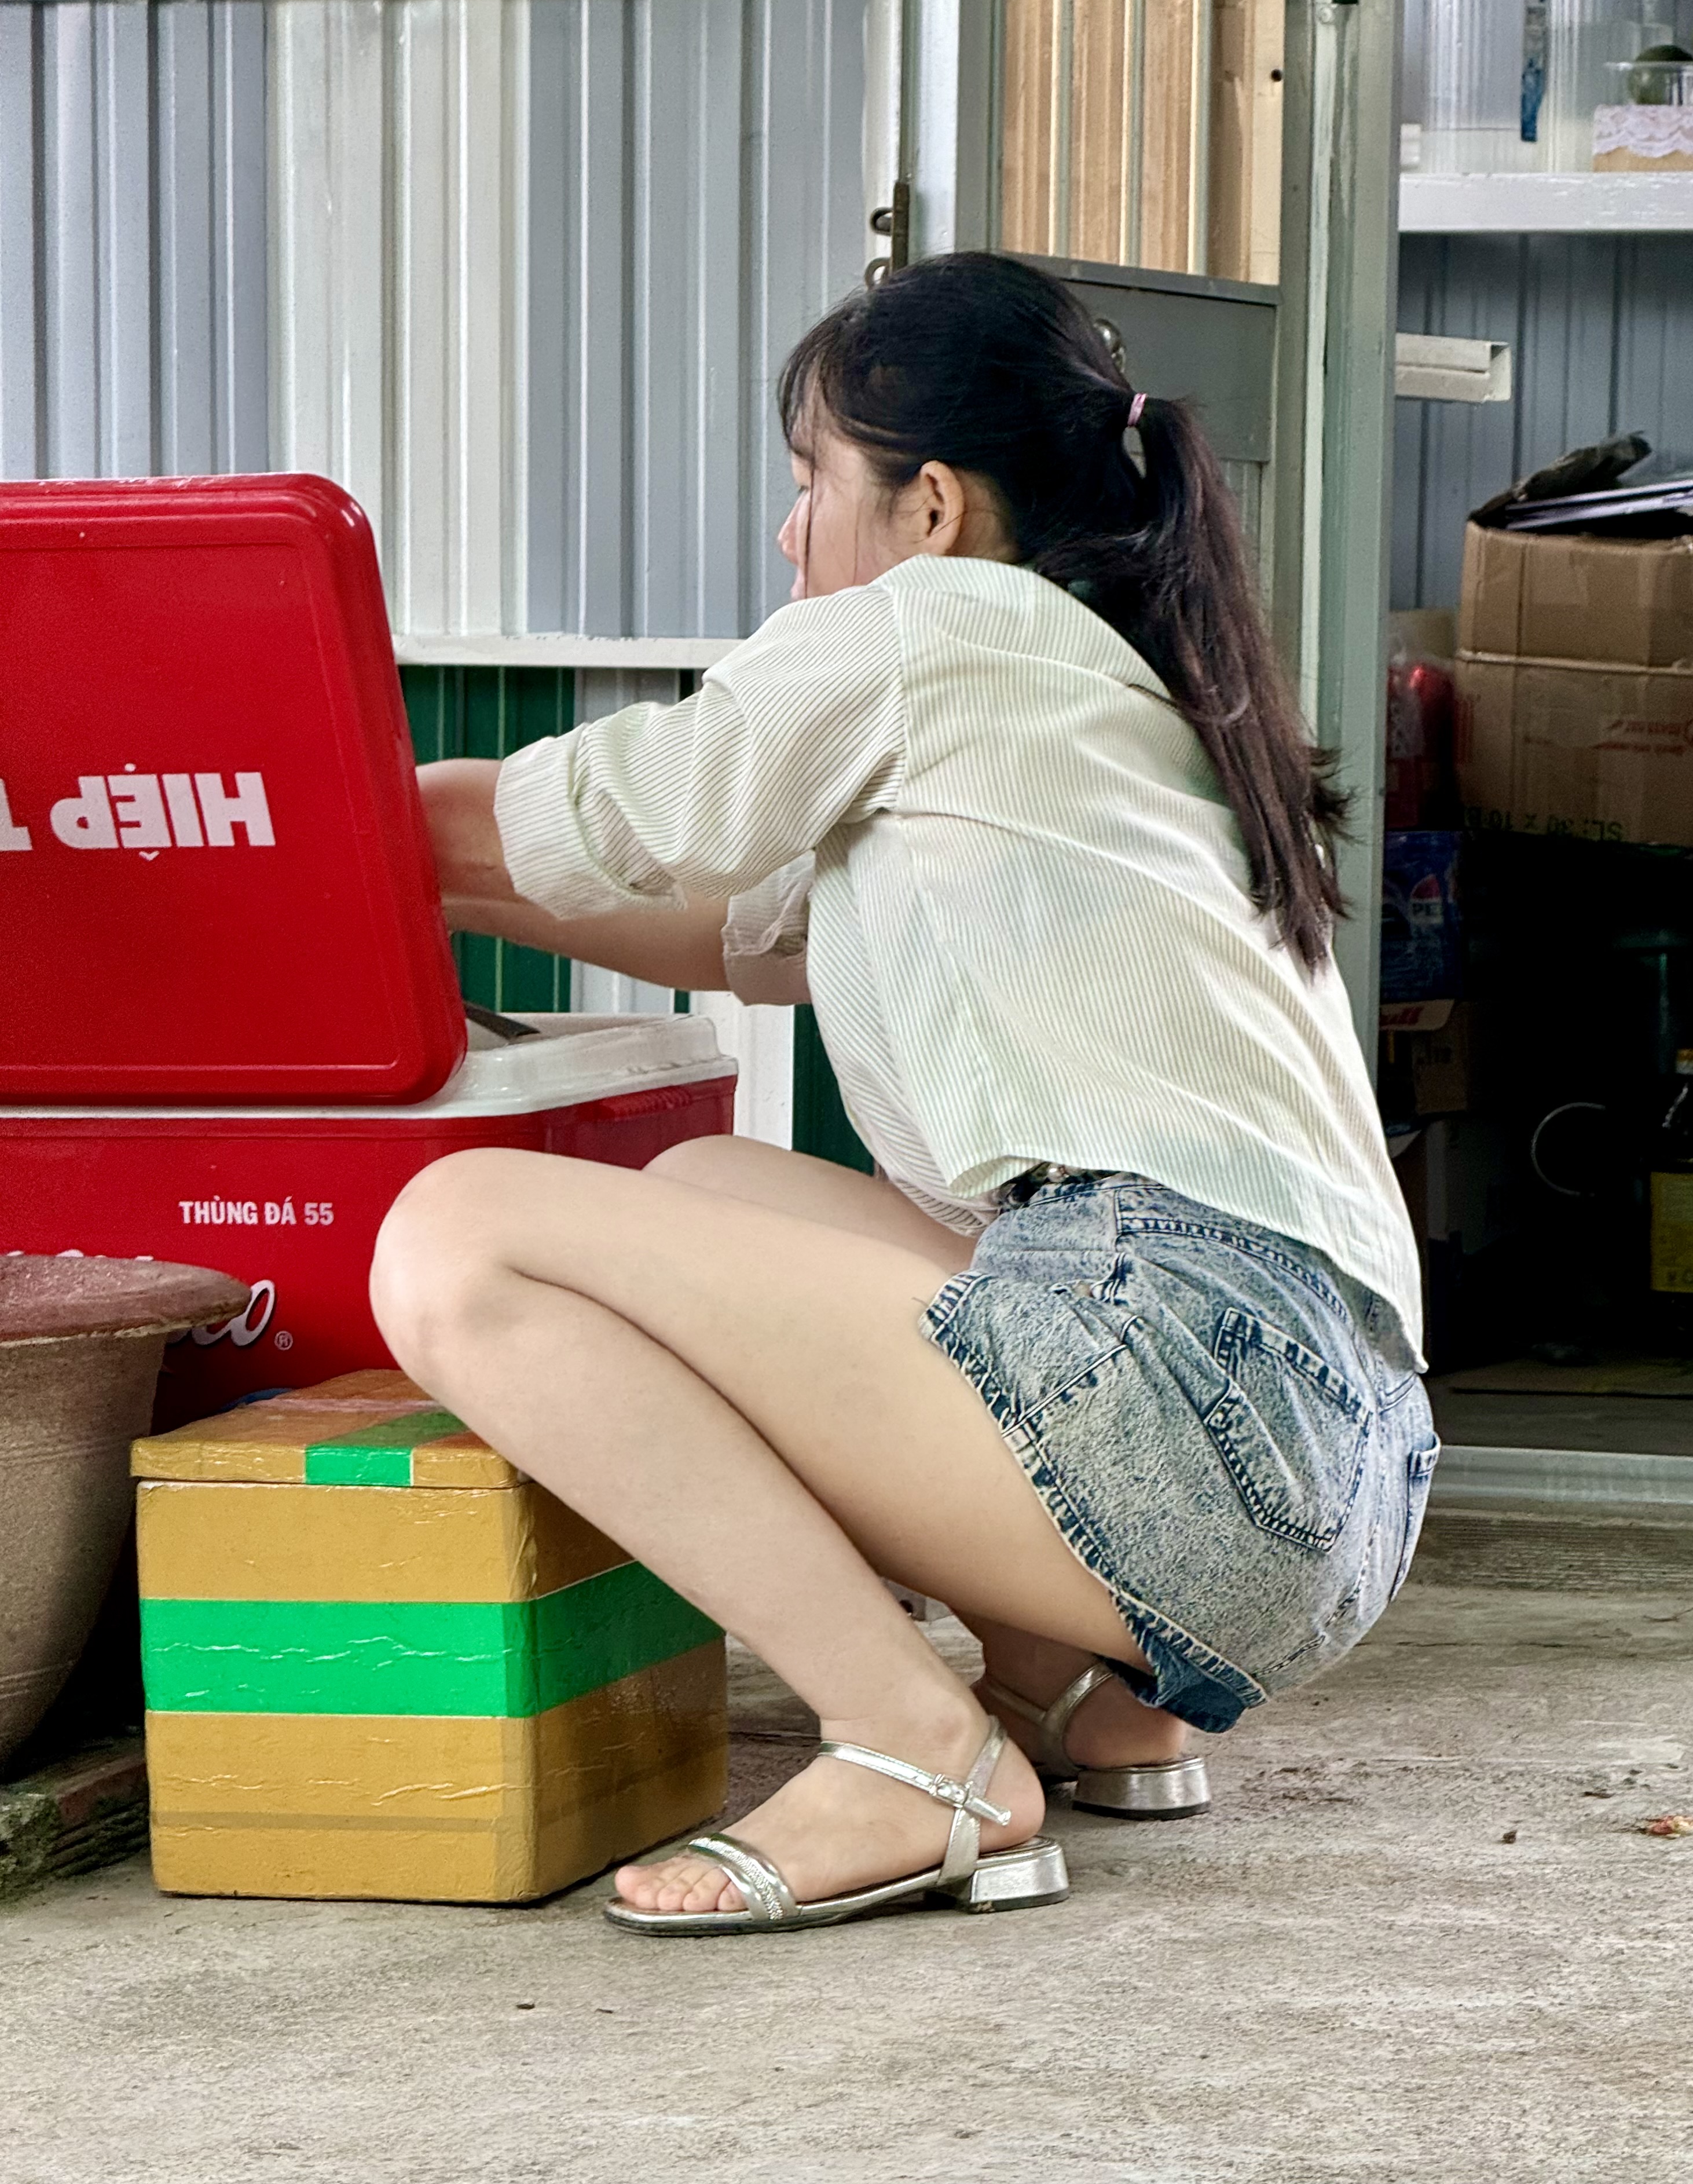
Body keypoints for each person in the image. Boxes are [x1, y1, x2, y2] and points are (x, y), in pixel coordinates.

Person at [373, 253, 1436, 1939]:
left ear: (931, 507)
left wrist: (284, 799)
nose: (789, 530)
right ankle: (1081, 1695)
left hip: (1184, 1404)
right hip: (1330, 1463)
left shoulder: (935, 627)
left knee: (456, 1240)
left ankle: (915, 1750)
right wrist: (419, 883)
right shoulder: (1106, 690)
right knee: (712, 1187)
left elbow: (627, 811)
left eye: (813, 480)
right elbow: (733, 930)